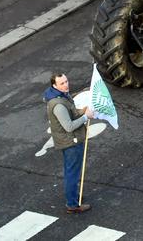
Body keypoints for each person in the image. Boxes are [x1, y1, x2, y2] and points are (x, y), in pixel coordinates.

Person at [43, 73, 95, 214]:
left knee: (70, 171)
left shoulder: (61, 96)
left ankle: (73, 197)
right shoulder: (58, 104)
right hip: (71, 142)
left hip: (69, 141)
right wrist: (85, 117)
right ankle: (72, 204)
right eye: (62, 83)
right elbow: (69, 126)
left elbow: (71, 112)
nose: (66, 85)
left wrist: (82, 110)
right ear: (54, 85)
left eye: (66, 81)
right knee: (72, 173)